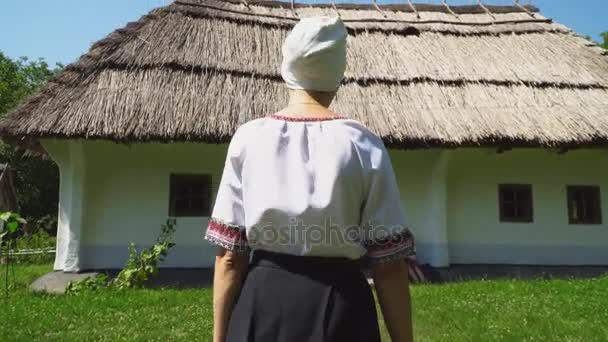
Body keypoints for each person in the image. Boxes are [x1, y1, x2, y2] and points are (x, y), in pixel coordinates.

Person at [204, 16, 416, 342]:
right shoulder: (363, 144)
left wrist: (219, 338)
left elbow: (231, 257)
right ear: (338, 72)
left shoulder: (248, 139)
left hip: (263, 306)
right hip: (343, 310)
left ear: (287, 66)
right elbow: (388, 267)